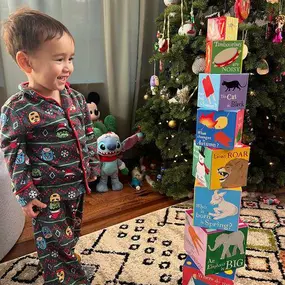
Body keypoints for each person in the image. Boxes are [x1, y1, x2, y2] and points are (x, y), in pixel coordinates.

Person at [0, 8, 100, 284]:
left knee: (70, 236)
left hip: (76, 187)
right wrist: (24, 193)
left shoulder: (76, 98)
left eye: (70, 58)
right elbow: (13, 152)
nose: (68, 66)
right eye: (59, 59)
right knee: (54, 246)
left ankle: (67, 263)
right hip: (46, 193)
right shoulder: (18, 109)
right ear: (26, 61)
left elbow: (87, 132)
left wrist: (92, 163)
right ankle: (66, 278)